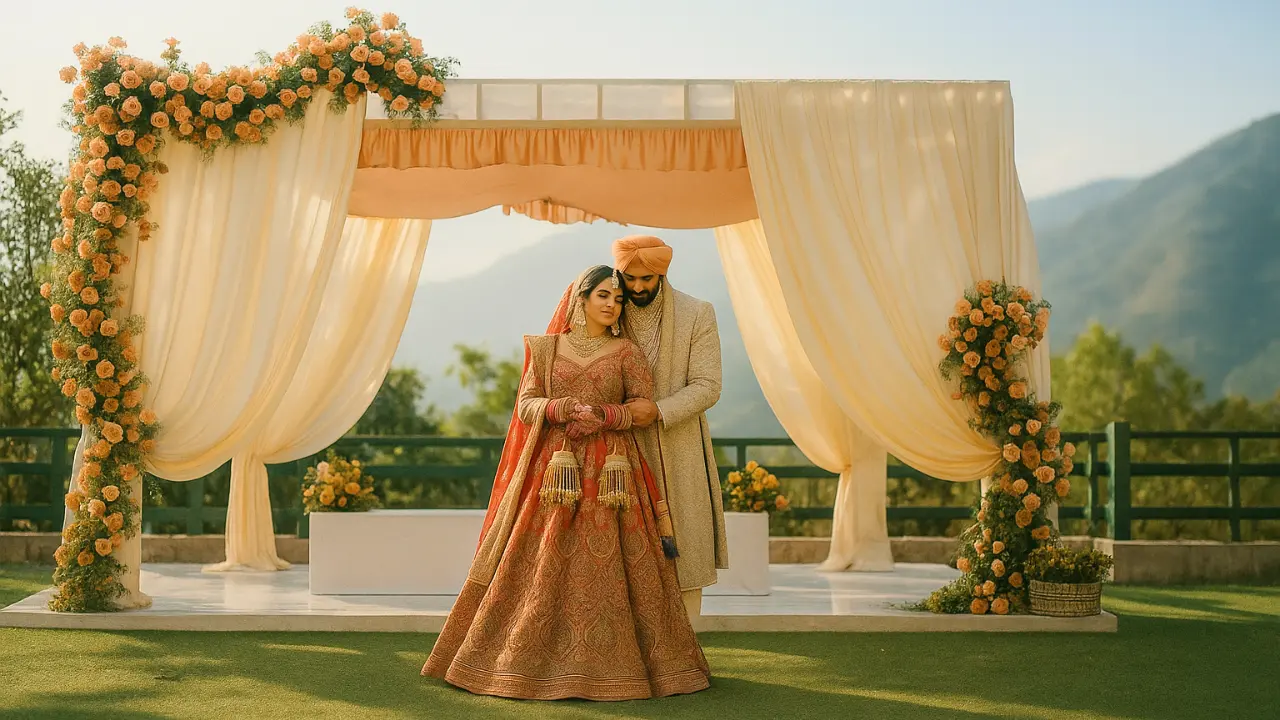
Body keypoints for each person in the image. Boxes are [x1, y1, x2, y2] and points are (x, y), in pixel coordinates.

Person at [422, 265, 711, 701]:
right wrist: (562, 409)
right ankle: (519, 662)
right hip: (553, 472)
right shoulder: (545, 349)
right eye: (604, 296)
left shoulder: (627, 353)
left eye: (617, 297)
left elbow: (642, 406)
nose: (614, 303)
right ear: (581, 299)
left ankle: (622, 667)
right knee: (539, 559)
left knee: (613, 565)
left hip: (612, 474)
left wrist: (605, 415)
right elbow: (526, 404)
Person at [611, 235, 727, 620]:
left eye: (647, 278)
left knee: (685, 549)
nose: (639, 287)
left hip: (679, 446)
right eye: (631, 279)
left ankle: (686, 653)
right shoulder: (607, 312)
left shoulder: (698, 313)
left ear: (663, 273)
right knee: (616, 554)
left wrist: (659, 410)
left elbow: (708, 385)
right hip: (615, 450)